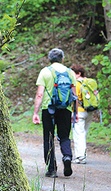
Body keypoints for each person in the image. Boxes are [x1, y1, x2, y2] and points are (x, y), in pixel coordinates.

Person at [32, 48, 77, 178]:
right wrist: (76, 112)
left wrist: (35, 112)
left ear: (49, 59)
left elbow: (40, 94)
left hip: (49, 109)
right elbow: (74, 95)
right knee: (64, 136)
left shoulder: (45, 72)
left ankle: (52, 169)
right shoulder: (70, 72)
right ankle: (67, 157)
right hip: (66, 109)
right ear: (62, 59)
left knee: (49, 138)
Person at [70, 64, 98, 164]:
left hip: (79, 112)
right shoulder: (89, 82)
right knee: (83, 133)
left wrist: (75, 112)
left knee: (78, 134)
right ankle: (82, 154)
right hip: (89, 111)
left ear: (78, 73)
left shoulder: (76, 84)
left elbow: (75, 99)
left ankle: (80, 157)